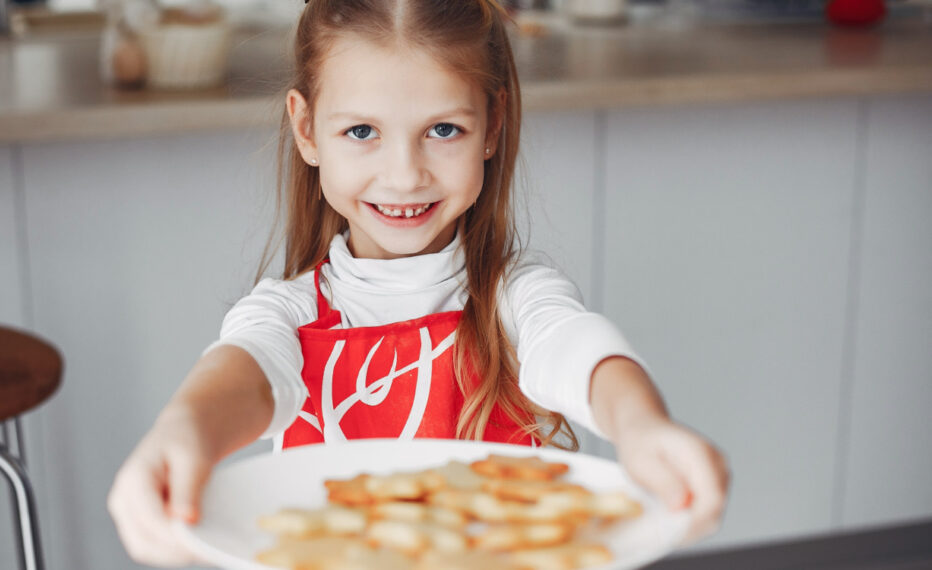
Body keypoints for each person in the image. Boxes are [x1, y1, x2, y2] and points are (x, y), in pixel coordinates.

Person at [108, 0, 730, 566]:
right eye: (362, 132)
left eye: (442, 130)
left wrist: (641, 423)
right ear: (306, 130)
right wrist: (179, 432)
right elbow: (240, 372)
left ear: (492, 126)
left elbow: (573, 345)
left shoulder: (513, 297)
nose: (404, 177)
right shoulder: (289, 316)